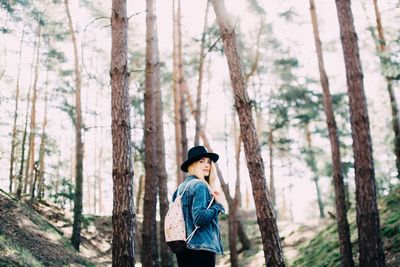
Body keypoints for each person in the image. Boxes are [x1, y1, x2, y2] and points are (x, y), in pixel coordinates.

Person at [172, 146, 225, 267]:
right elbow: (200, 218)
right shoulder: (200, 185)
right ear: (193, 164)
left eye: (208, 162)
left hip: (183, 247)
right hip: (201, 249)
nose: (207, 165)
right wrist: (218, 205)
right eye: (202, 161)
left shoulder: (180, 188)